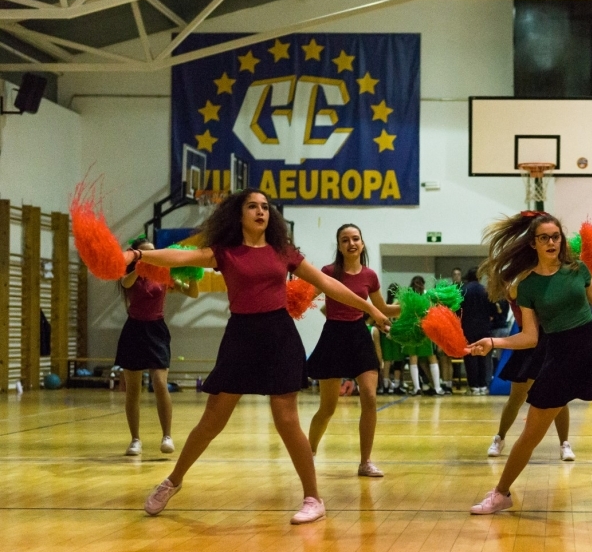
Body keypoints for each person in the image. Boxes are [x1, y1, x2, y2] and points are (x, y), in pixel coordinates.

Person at [133, 190, 391, 525]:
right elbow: (180, 258)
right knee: (212, 420)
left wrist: (371, 308)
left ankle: (313, 498)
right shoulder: (225, 251)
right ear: (238, 214)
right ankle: (173, 481)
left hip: (279, 337)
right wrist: (137, 254)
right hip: (240, 336)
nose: (260, 212)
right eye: (252, 206)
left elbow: (328, 283)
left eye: (265, 207)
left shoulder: (283, 251)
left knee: (287, 420)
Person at [466, 211, 592, 522]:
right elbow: (529, 337)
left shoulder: (577, 270)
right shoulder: (527, 285)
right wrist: (494, 342)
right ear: (534, 243)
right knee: (530, 435)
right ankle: (500, 494)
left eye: (556, 237)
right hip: (559, 358)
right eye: (544, 238)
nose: (551, 242)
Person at [305, 224, 401, 477]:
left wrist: (416, 306)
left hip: (359, 335)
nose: (351, 243)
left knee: (369, 397)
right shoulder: (328, 272)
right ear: (339, 246)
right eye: (345, 240)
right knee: (327, 408)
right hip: (333, 336)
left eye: (355, 238)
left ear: (362, 243)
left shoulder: (370, 275)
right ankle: (309, 452)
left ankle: (365, 461)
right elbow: (306, 297)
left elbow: (383, 309)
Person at [116, 237, 199, 456]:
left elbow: (192, 293)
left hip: (157, 331)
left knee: (160, 383)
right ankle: (135, 440)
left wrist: (193, 274)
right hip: (134, 331)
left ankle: (167, 436)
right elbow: (125, 284)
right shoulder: (131, 275)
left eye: (154, 252)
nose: (152, 256)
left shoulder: (163, 275)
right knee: (133, 390)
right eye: (146, 253)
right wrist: (140, 267)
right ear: (137, 256)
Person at [487, 297, 573, 461]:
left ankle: (565, 444)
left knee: (559, 398)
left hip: (552, 342)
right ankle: (500, 438)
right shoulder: (518, 288)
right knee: (516, 398)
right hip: (527, 343)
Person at [405, 276, 444, 395]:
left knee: (414, 358)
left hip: (414, 329)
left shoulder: (410, 296)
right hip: (423, 329)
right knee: (431, 357)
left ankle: (418, 388)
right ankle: (437, 388)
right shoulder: (426, 296)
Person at [460, 268, 493, 395]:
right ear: (479, 277)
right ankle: (483, 385)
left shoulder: (463, 290)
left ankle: (473, 386)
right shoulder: (485, 290)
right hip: (484, 327)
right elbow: (492, 310)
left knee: (470, 356)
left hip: (467, 327)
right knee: (483, 355)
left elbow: (458, 310)